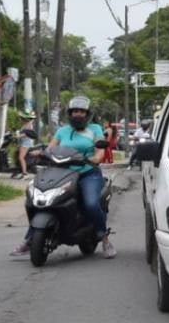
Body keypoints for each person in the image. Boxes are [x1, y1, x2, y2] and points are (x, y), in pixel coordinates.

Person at [10, 97, 114, 259]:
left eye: (81, 112)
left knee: (91, 204)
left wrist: (95, 158)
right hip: (62, 171)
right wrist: (40, 153)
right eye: (75, 111)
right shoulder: (62, 131)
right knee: (40, 198)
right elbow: (51, 147)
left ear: (87, 114)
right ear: (70, 113)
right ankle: (30, 239)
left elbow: (100, 148)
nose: (78, 114)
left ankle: (104, 238)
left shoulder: (95, 129)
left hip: (87, 173)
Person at [16, 111, 37, 179]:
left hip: (26, 144)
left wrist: (17, 136)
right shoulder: (26, 124)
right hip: (24, 143)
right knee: (20, 157)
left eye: (22, 118)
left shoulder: (28, 125)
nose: (20, 119)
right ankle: (21, 172)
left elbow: (26, 134)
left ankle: (25, 174)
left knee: (21, 157)